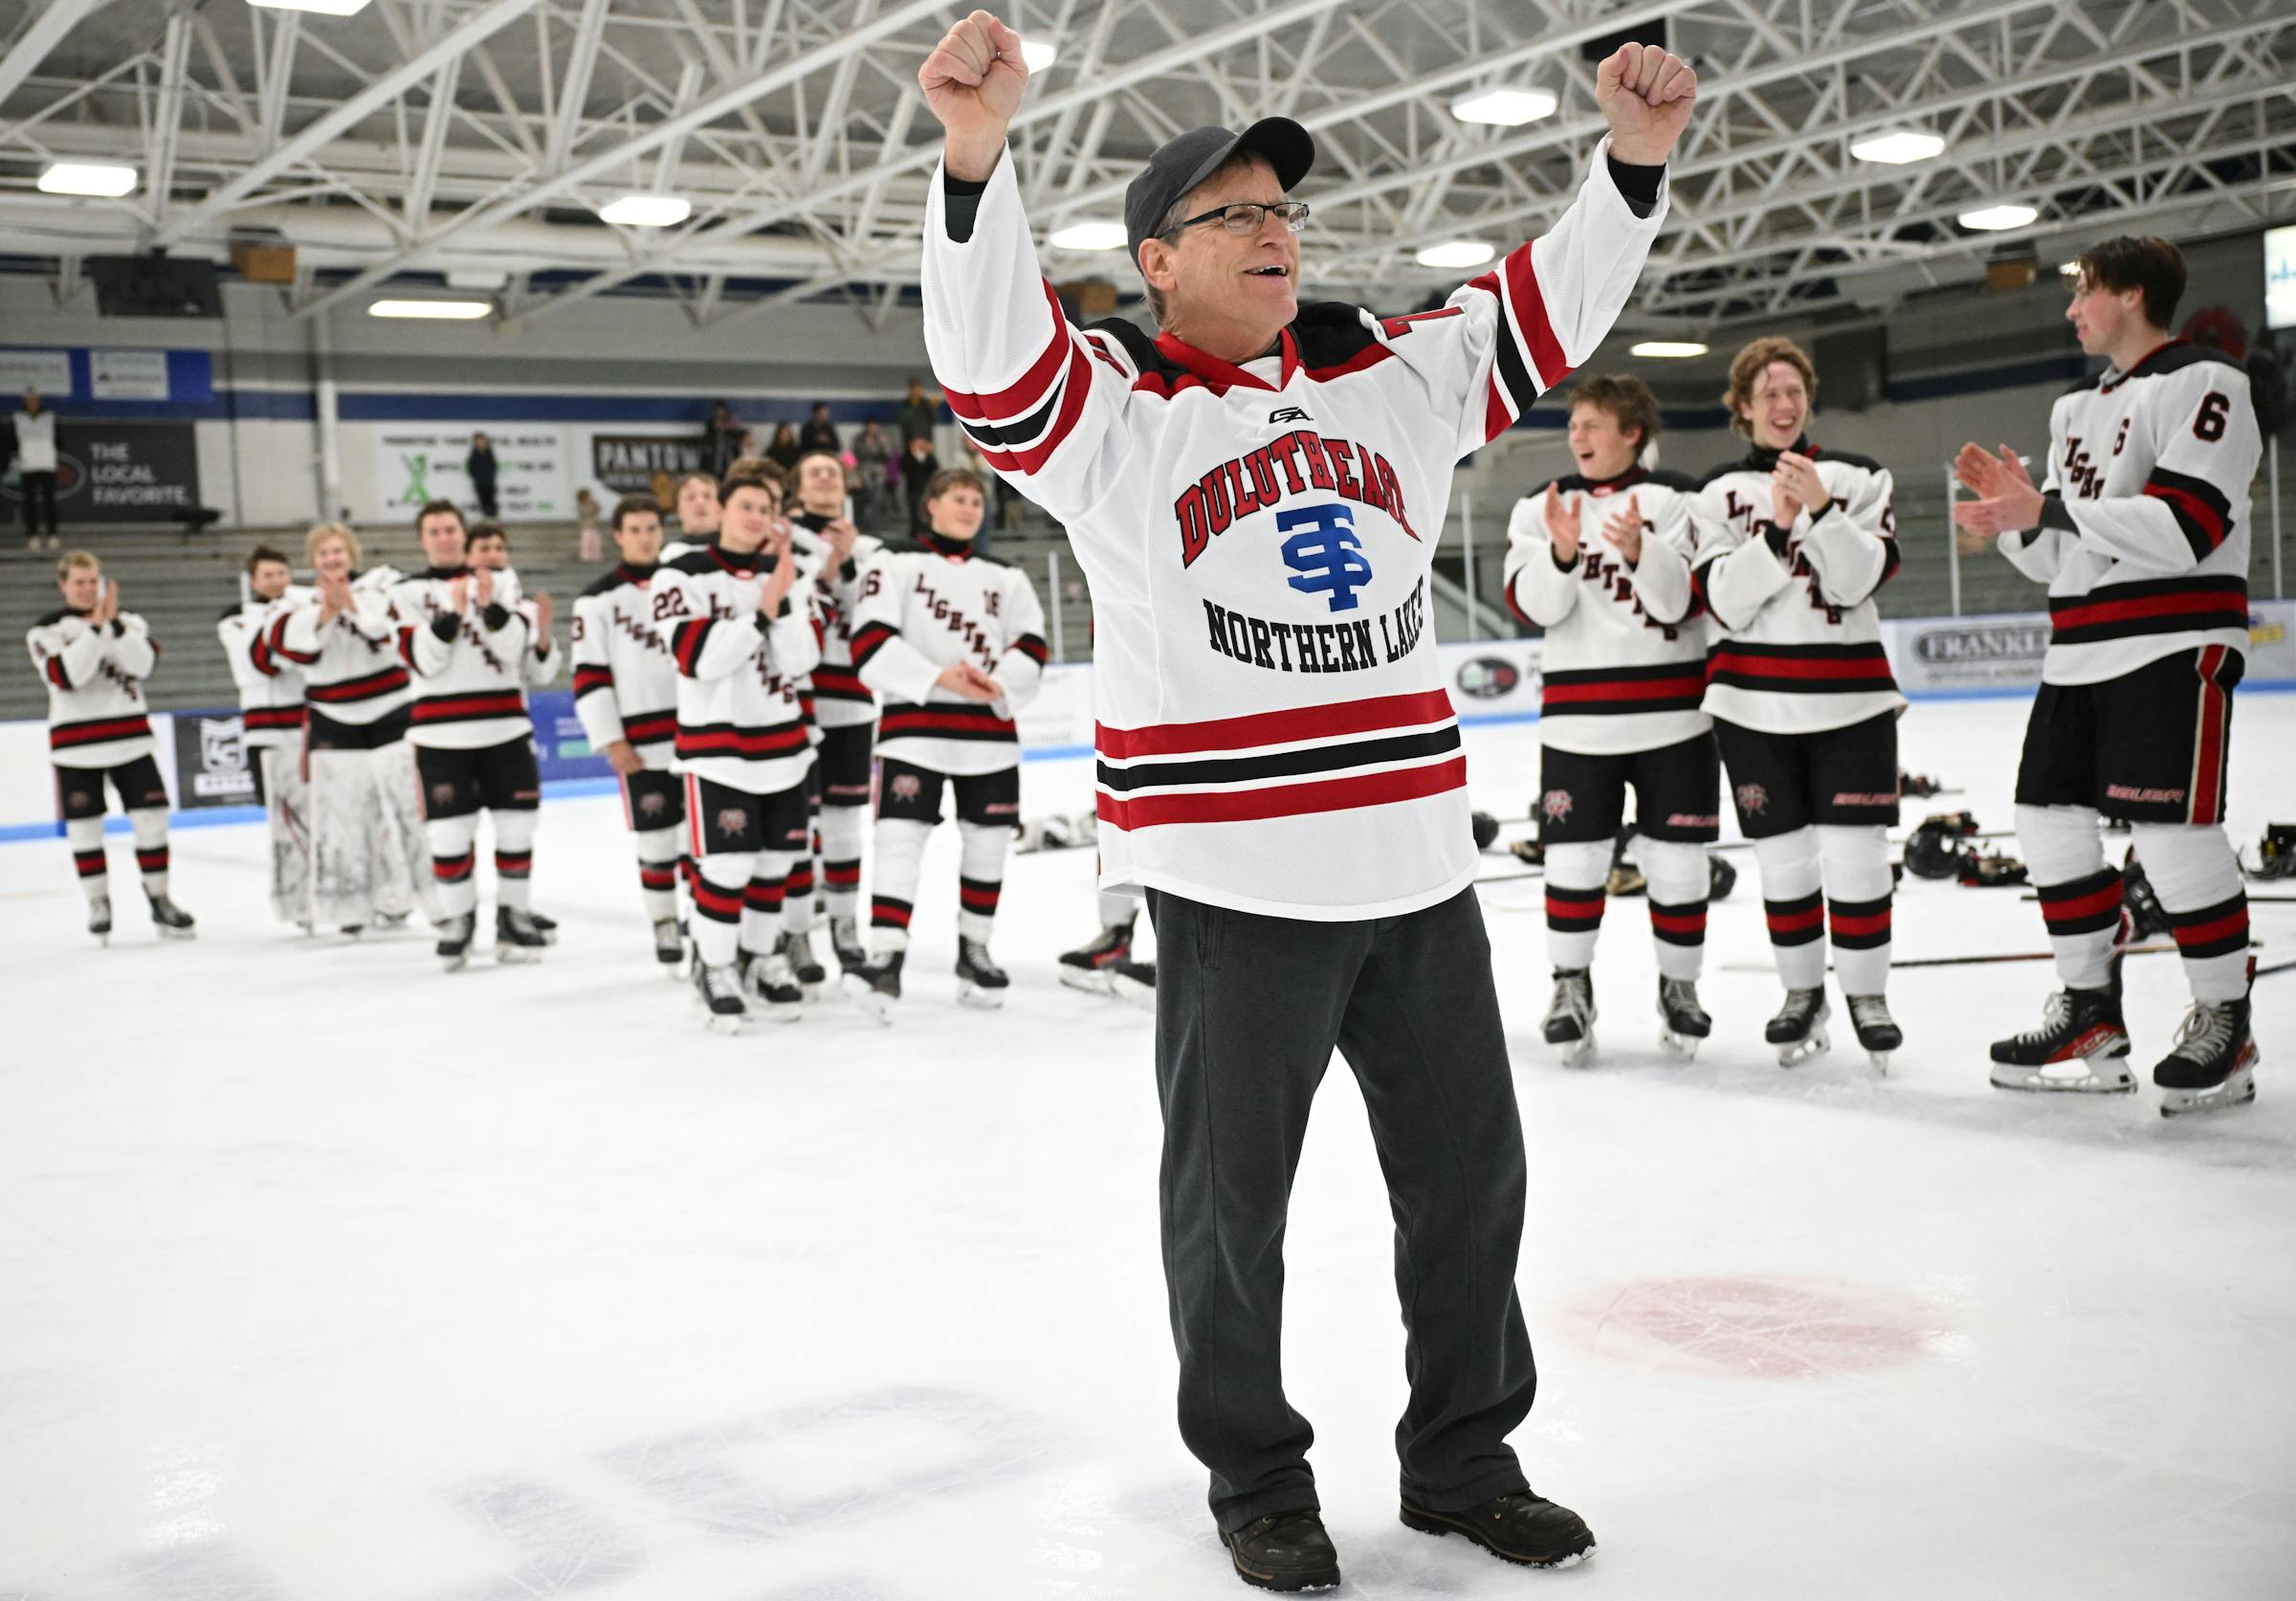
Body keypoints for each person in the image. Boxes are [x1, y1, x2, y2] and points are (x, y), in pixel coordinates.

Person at [917, 11, 1690, 1588]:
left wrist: (1630, 163)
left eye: (1283, 206)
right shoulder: (1114, 413)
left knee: (1471, 1189)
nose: (1276, 230)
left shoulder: (1390, 371)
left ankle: (1466, 1455)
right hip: (1233, 883)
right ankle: (1258, 1476)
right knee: (1228, 1217)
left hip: (1414, 872)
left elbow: (1544, 308)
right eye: (1236, 213)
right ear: (1158, 261)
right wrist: (975, 158)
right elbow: (986, 357)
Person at [1953, 234, 2263, 1116]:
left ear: (2131, 295)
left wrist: (2046, 506)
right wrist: (2014, 522)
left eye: (2083, 291)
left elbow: (2187, 525)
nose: (2070, 308)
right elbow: (2064, 556)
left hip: (2172, 640)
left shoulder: (2209, 382)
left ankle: (2225, 1020)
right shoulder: (2072, 411)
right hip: (2079, 648)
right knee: (2045, 823)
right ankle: (2090, 1010)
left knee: (2170, 834)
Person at [1690, 337, 1905, 1070]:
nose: (1783, 405)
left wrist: (1819, 509)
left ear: (1807, 399)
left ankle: (1869, 997)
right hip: (1753, 705)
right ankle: (1801, 993)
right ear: (1743, 407)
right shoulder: (1715, 493)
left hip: (1853, 700)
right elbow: (1722, 599)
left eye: (1793, 390)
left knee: (1855, 857)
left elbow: (1856, 583)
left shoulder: (1859, 477)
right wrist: (1779, 527)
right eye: (1766, 393)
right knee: (1784, 863)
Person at [1503, 374, 1714, 1062]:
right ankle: (1571, 986)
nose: (1577, 436)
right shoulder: (1542, 505)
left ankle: (1679, 988)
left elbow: (1684, 601)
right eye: (1574, 425)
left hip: (1675, 720)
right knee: (1573, 862)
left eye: (1594, 424)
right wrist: (1563, 551)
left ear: (1633, 433)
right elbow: (1534, 606)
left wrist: (1640, 552)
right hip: (1577, 724)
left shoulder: (1679, 498)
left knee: (1681, 868)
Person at [845, 468, 1047, 1014]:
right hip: (914, 731)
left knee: (988, 842)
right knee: (899, 840)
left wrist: (997, 683)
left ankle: (975, 949)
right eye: (958, 497)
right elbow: (868, 640)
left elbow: (1031, 644)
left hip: (991, 735)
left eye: (977, 500)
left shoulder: (1007, 576)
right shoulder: (893, 563)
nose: (970, 507)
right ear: (930, 505)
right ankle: (886, 956)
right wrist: (938, 678)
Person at [657, 472, 821, 1028]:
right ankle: (717, 965)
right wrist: (761, 612)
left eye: (766, 507)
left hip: (785, 746)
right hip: (717, 750)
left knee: (774, 865)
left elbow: (801, 660)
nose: (755, 515)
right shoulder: (681, 573)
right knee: (726, 866)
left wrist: (783, 587)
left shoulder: (783, 574)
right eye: (746, 505)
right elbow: (697, 657)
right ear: (724, 509)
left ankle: (762, 956)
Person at [388, 500, 552, 967]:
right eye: (434, 531)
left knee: (517, 827)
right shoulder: (406, 591)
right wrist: (450, 617)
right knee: (448, 835)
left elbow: (511, 650)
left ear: (463, 535)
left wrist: (488, 606)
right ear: (423, 539)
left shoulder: (501, 581)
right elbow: (424, 660)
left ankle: (514, 917)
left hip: (505, 727)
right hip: (440, 736)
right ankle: (459, 922)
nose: (444, 537)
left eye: (450, 529)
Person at [266, 523, 431, 934]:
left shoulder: (383, 588)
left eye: (338, 551)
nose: (331, 560)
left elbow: (390, 632)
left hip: (392, 713)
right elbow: (285, 650)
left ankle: (419, 899)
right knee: (341, 820)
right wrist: (326, 612)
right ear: (312, 561)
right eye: (323, 554)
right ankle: (348, 908)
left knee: (407, 812)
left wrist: (353, 606)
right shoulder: (294, 602)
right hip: (334, 719)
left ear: (352, 555)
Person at [27, 550, 195, 941]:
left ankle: (160, 899)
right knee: (85, 830)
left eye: (93, 581)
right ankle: (98, 902)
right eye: (79, 582)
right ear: (63, 585)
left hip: (132, 739)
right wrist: (94, 630)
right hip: (75, 747)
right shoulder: (45, 631)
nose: (87, 589)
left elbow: (144, 666)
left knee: (151, 821)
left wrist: (113, 627)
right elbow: (67, 675)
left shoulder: (129, 622)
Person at [572, 495, 687, 969]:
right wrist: (610, 737)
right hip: (642, 742)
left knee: (703, 845)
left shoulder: (688, 587)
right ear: (618, 536)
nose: (645, 537)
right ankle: (664, 922)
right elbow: (590, 675)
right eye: (635, 529)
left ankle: (705, 924)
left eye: (652, 528)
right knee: (657, 840)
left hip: (698, 737)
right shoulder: (596, 600)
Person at [789, 447, 887, 975]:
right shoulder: (780, 537)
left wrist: (844, 567)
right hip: (793, 701)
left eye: (832, 472)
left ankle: (847, 931)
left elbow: (871, 616)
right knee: (796, 829)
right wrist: (822, 570)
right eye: (814, 473)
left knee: (846, 825)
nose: (825, 479)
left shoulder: (869, 547)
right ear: (799, 489)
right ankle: (796, 934)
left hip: (850, 700)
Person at [217, 545, 312, 928]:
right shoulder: (235, 619)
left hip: (308, 726)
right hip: (267, 731)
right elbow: (261, 666)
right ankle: (295, 902)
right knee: (285, 821)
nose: (276, 581)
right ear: (253, 581)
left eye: (281, 573)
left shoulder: (304, 607)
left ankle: (334, 893)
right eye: (267, 575)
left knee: (323, 815)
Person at [12, 387, 59, 550]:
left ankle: (52, 534)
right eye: (29, 398)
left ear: (39, 399)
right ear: (25, 400)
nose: (32, 401)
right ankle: (32, 535)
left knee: (49, 501)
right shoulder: (17, 417)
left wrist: (51, 454)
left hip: (47, 464)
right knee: (29, 501)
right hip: (27, 465)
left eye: (35, 398)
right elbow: (12, 441)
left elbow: (59, 440)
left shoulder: (50, 416)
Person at [853, 419, 894, 527]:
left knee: (879, 490)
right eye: (870, 426)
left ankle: (875, 517)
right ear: (866, 427)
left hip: (879, 468)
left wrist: (883, 447)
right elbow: (856, 455)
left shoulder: (882, 438)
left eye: (874, 426)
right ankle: (867, 514)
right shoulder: (859, 439)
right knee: (868, 489)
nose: (872, 429)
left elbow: (888, 455)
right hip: (864, 468)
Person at [898, 434, 939, 533]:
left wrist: (928, 454)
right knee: (914, 516)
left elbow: (935, 468)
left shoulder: (929, 456)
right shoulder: (907, 456)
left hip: (926, 490)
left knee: (927, 515)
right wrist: (914, 455)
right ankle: (915, 535)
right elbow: (903, 468)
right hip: (913, 490)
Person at [894, 375, 939, 446]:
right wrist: (913, 406)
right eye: (914, 389)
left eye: (919, 389)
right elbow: (901, 421)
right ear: (910, 390)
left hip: (926, 442)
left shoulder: (926, 404)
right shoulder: (904, 405)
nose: (917, 392)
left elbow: (935, 420)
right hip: (910, 443)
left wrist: (933, 408)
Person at [465, 432, 500, 519]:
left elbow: (494, 466)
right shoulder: (473, 454)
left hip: (490, 482)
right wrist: (476, 477)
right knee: (482, 501)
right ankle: (486, 518)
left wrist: (491, 475)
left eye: (482, 440)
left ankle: (494, 518)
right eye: (479, 441)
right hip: (479, 483)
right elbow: (470, 467)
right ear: (475, 442)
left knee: (491, 501)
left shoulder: (489, 453)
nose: (481, 443)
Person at [575, 487, 604, 563]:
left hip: (594, 525)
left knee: (596, 541)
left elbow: (598, 509)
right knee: (586, 542)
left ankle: (596, 555)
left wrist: (594, 504)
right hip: (586, 526)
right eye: (588, 495)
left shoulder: (593, 503)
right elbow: (586, 512)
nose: (590, 497)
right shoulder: (581, 504)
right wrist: (592, 506)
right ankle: (585, 556)